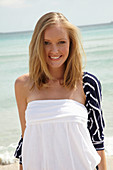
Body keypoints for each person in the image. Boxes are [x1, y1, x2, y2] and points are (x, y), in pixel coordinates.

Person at [14, 12, 107, 170]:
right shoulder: (23, 85)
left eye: (61, 42)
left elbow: (97, 142)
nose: (54, 50)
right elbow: (27, 140)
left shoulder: (87, 83)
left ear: (71, 44)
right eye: (46, 43)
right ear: (37, 44)